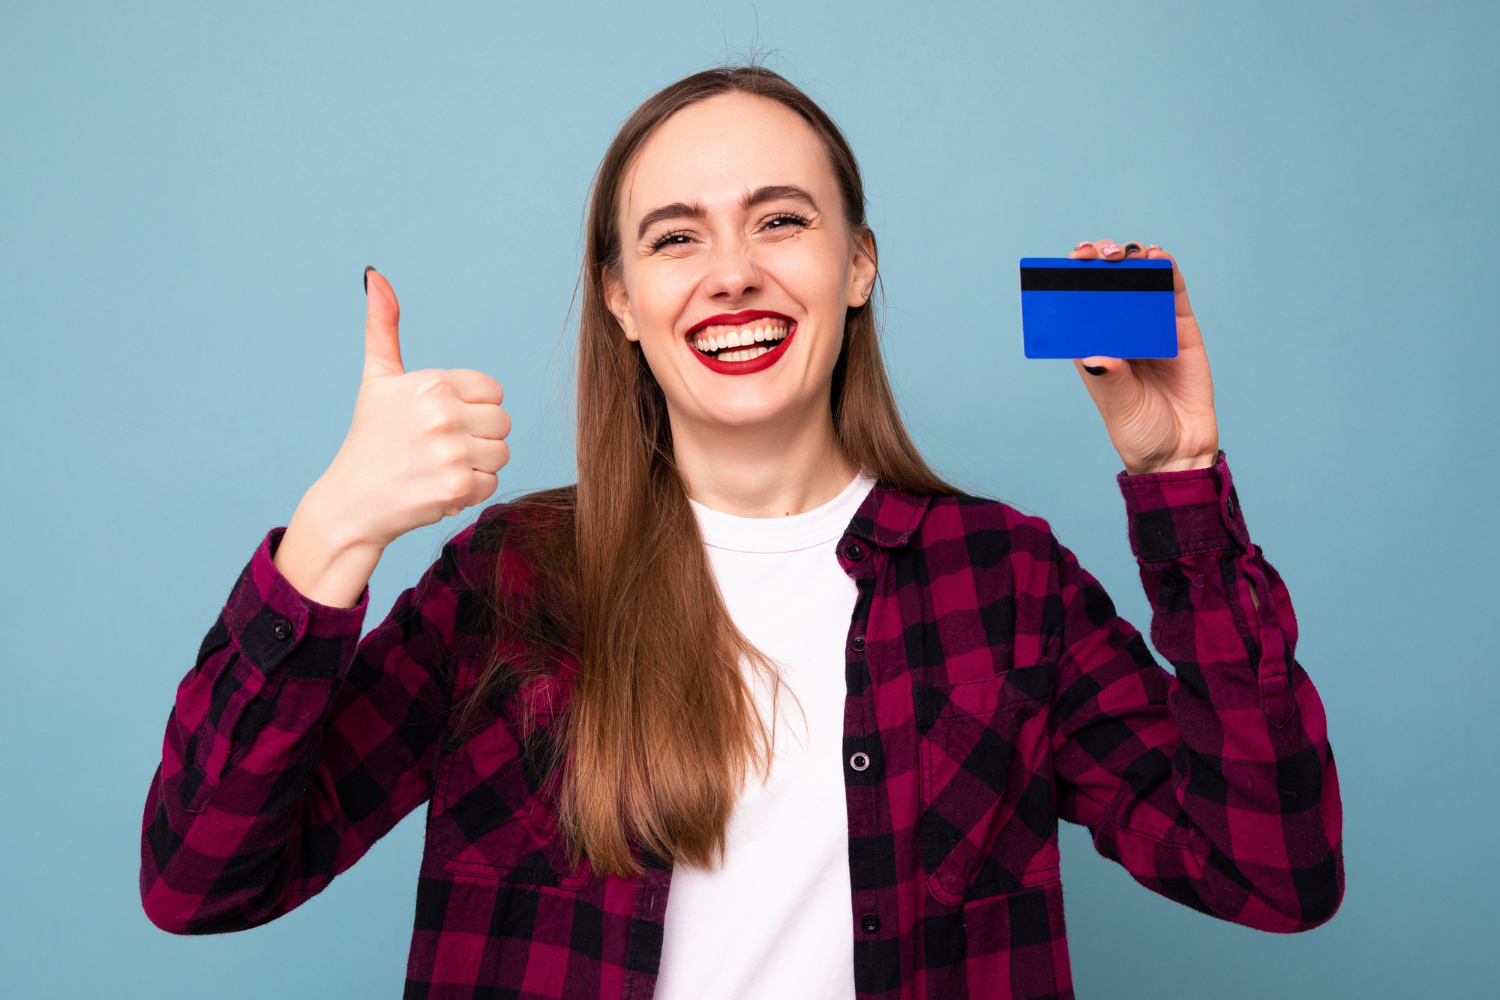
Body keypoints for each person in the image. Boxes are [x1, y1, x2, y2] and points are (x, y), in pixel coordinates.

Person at [138, 64, 1343, 999]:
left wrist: (1181, 479)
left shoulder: (1007, 581)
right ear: (621, 298)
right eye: (674, 236)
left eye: (780, 222)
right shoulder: (506, 582)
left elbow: (1275, 875)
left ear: (857, 265)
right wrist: (335, 532)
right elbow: (201, 880)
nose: (730, 274)